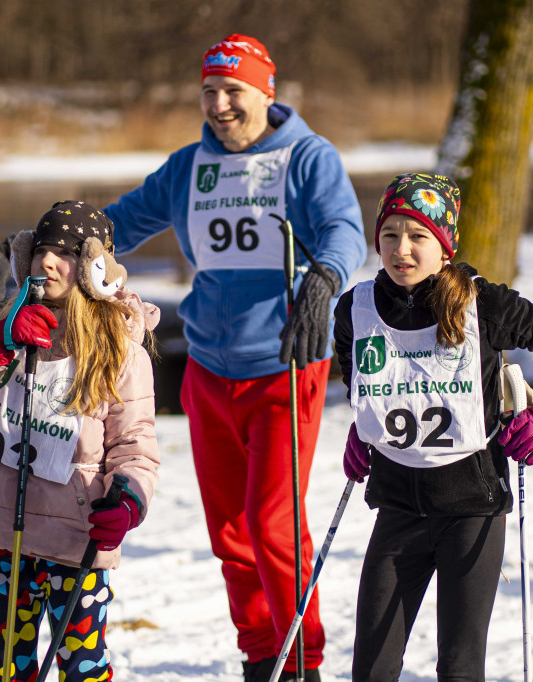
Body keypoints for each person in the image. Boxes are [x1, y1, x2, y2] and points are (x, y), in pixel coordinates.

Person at [97, 33, 366, 681]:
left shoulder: (307, 158)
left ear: (266, 95)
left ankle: (302, 660)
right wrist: (51, 240)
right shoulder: (190, 167)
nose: (220, 105)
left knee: (274, 527)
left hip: (284, 366)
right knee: (231, 534)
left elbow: (344, 230)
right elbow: (120, 223)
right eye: (210, 92)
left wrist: (324, 282)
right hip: (209, 371)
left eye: (234, 92)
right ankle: (261, 655)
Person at [336, 173, 533, 681]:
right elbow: (361, 379)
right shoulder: (355, 308)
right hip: (398, 508)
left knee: (460, 665)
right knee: (372, 667)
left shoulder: (481, 303)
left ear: (444, 245)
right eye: (389, 234)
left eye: (417, 235)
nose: (401, 249)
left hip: (471, 507)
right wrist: (363, 431)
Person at [0, 200, 160, 682]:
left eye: (67, 253)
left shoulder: (121, 350)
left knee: (82, 667)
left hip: (75, 544)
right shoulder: (9, 333)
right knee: (5, 668)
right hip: (6, 544)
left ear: (94, 267)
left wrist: (128, 500)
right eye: (41, 250)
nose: (48, 262)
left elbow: (135, 446)